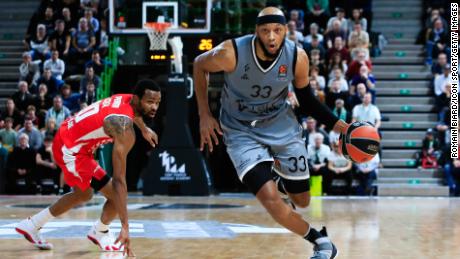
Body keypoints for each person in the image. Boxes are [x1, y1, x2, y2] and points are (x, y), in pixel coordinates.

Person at [194, 7, 347, 259]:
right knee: (270, 199)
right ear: (257, 32)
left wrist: (342, 127)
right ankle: (321, 241)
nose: (272, 37)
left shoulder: (297, 57)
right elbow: (200, 64)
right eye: (266, 31)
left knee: (303, 200)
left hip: (280, 124)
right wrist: (204, 115)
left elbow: (307, 102)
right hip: (239, 129)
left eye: (277, 30)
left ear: (286, 30)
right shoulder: (230, 53)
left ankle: (277, 175)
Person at [15, 79, 161, 256]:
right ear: (138, 100)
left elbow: (135, 114)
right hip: (70, 148)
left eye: (157, 103)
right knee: (113, 194)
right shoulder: (125, 130)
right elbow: (119, 181)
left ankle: (33, 225)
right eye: (150, 102)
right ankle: (99, 231)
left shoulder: (127, 99)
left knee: (85, 194)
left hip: (74, 142)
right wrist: (125, 227)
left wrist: (144, 129)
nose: (155, 107)